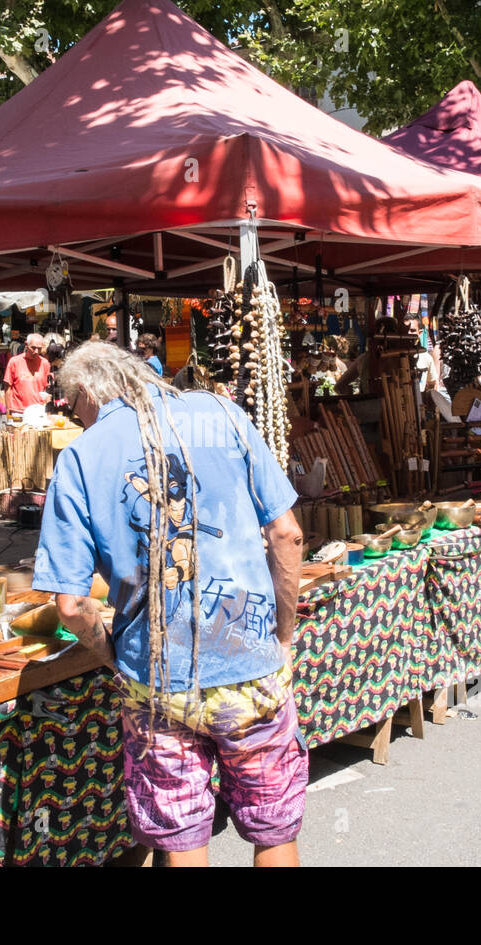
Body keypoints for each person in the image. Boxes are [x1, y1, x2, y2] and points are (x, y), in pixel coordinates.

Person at [33, 342, 306, 867]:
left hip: (155, 680)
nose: (78, 416)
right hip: (250, 663)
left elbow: (70, 607)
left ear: (89, 390)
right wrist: (283, 634)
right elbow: (288, 535)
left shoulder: (81, 458)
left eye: (75, 405)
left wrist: (113, 652)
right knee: (273, 823)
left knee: (179, 833)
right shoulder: (223, 413)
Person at [2, 333, 51, 413]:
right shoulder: (14, 362)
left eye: (39, 349)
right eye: (33, 348)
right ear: (26, 345)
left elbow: (47, 389)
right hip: (17, 411)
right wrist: (8, 409)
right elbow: (7, 387)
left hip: (38, 410)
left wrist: (46, 409)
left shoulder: (45, 363)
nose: (36, 351)